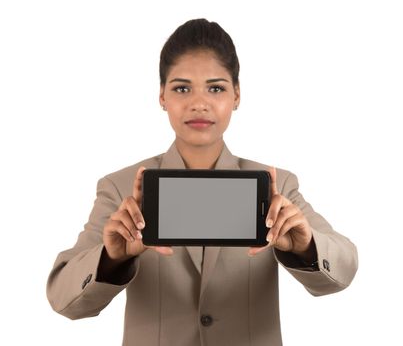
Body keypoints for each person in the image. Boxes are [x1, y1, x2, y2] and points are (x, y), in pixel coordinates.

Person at [47, 19, 358, 346]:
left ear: (236, 96)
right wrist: (111, 259)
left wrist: (306, 247)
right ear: (162, 97)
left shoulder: (274, 186)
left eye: (216, 88)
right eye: (182, 88)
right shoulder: (121, 187)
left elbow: (344, 267)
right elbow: (62, 297)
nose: (199, 103)